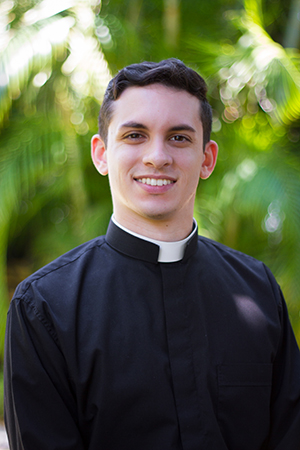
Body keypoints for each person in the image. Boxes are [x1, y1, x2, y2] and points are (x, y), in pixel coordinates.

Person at [4, 58, 300, 450]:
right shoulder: (43, 307)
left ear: (207, 158)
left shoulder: (258, 291)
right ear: (101, 154)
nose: (157, 156)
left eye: (178, 137)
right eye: (134, 135)